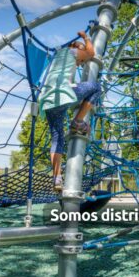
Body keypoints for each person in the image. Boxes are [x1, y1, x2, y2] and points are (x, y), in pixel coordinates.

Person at [38, 30, 102, 192]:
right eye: (81, 61)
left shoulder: (57, 60)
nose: (80, 64)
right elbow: (91, 53)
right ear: (76, 49)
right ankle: (78, 121)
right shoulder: (70, 52)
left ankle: (57, 177)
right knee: (96, 87)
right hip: (62, 94)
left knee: (57, 138)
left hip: (48, 101)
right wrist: (86, 37)